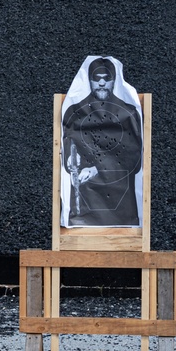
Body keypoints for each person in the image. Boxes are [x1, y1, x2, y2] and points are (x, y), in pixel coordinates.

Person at [62, 57, 143, 226]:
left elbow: (133, 159)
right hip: (82, 203)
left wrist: (96, 169)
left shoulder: (128, 112)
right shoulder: (74, 112)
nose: (101, 83)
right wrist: (70, 158)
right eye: (96, 78)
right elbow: (68, 143)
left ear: (114, 80)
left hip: (121, 203)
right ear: (89, 80)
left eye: (106, 79)